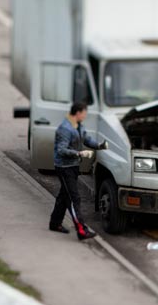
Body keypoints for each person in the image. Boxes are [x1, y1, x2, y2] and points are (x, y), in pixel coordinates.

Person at [48, 101, 106, 240]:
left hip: (73, 166)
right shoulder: (65, 129)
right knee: (74, 198)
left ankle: (54, 224)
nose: (85, 116)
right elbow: (61, 150)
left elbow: (86, 139)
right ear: (78, 113)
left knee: (64, 196)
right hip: (64, 167)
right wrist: (79, 154)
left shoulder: (78, 126)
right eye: (84, 113)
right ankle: (81, 230)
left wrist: (99, 146)